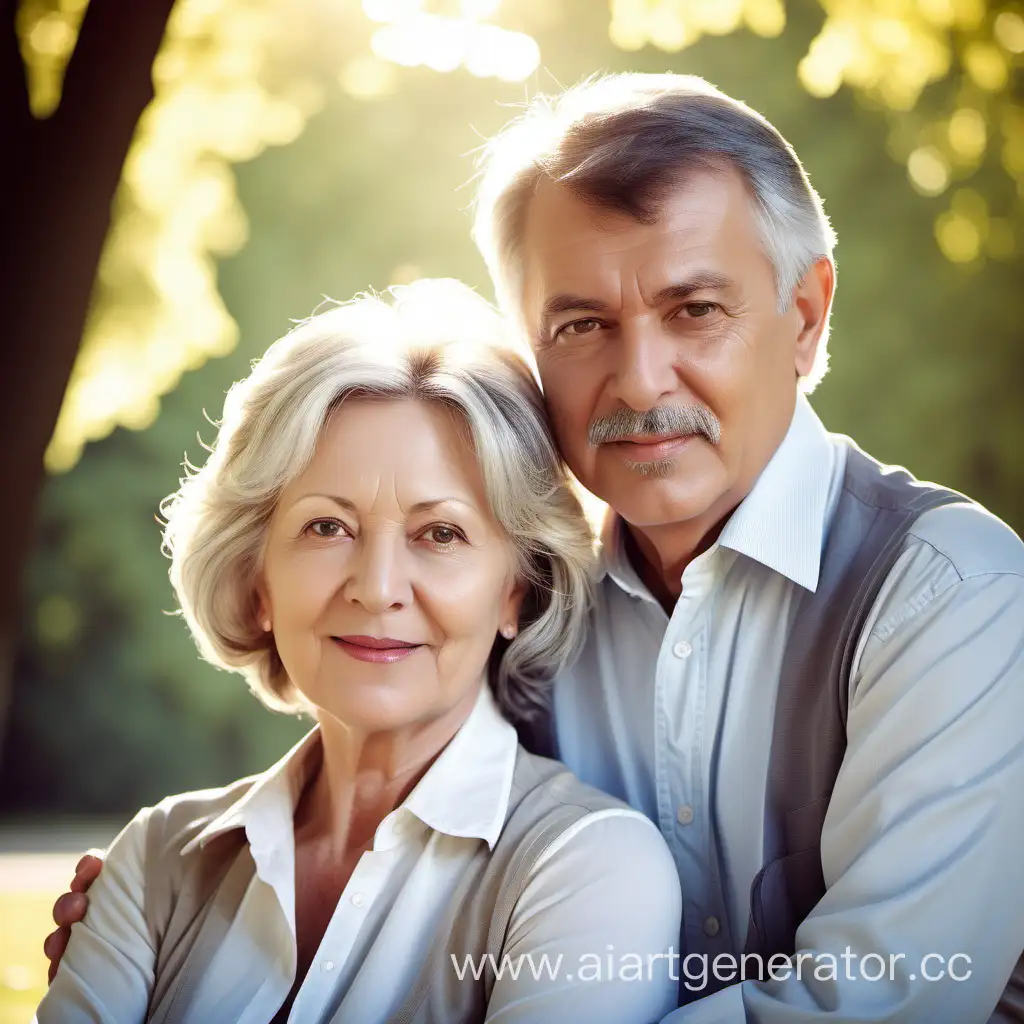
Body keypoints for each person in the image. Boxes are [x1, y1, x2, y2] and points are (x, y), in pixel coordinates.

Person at [48, 74, 1024, 1023]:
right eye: (581, 324)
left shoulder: (946, 592)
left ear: (805, 316)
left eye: (694, 310)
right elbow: (380, 745)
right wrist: (174, 898)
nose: (640, 381)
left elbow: (888, 998)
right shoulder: (529, 603)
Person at [35, 279, 682, 1024]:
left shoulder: (590, 869)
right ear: (258, 581)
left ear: (516, 590)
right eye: (326, 528)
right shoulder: (154, 859)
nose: (377, 589)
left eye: (440, 533)